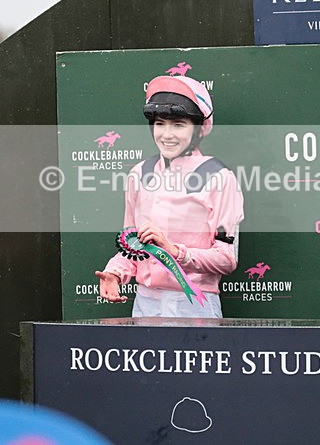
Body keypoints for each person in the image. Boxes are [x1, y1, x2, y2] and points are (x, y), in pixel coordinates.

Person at [95, 74, 244, 318]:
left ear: (198, 129)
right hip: (144, 305)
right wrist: (114, 272)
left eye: (178, 125)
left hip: (195, 307)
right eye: (160, 123)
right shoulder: (139, 174)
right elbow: (132, 246)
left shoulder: (219, 177)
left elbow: (226, 259)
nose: (167, 134)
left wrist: (174, 251)